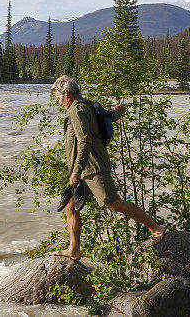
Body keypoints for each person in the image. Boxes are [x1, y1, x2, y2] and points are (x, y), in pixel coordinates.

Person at [50, 75, 166, 260]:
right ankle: (74, 249)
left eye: (58, 97)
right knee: (70, 206)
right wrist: (119, 111)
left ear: (66, 93)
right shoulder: (88, 105)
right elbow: (109, 116)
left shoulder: (76, 110)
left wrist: (76, 170)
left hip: (92, 167)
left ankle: (156, 228)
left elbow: (85, 140)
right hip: (85, 168)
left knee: (113, 202)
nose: (59, 102)